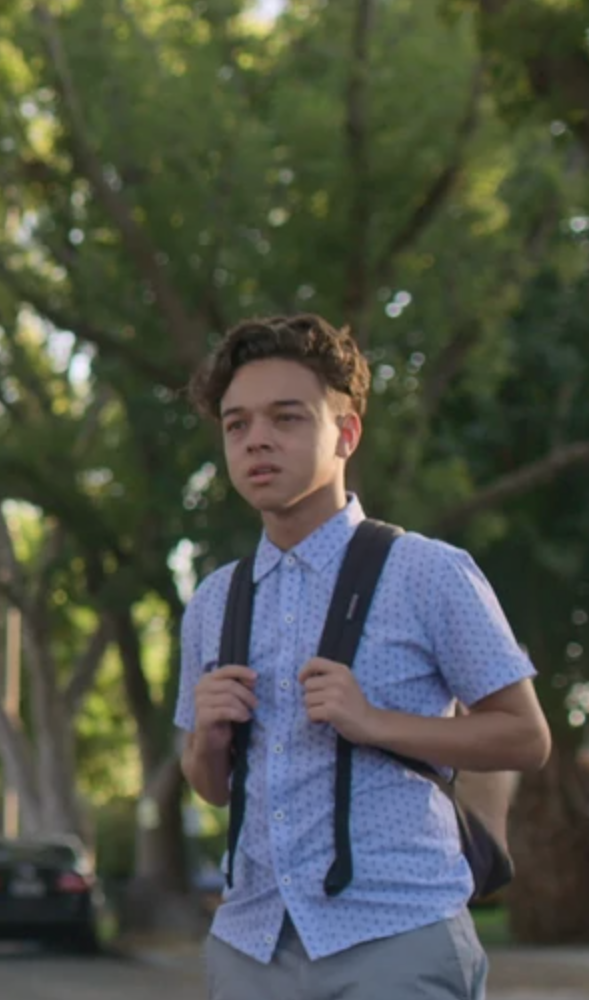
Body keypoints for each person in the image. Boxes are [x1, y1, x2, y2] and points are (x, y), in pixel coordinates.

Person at [175, 314, 552, 1000]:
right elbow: (209, 784)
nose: (256, 438)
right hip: (250, 945)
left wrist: (376, 721)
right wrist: (207, 740)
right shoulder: (212, 602)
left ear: (345, 433)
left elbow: (527, 737)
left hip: (396, 934)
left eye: (285, 418)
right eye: (237, 424)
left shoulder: (429, 573)